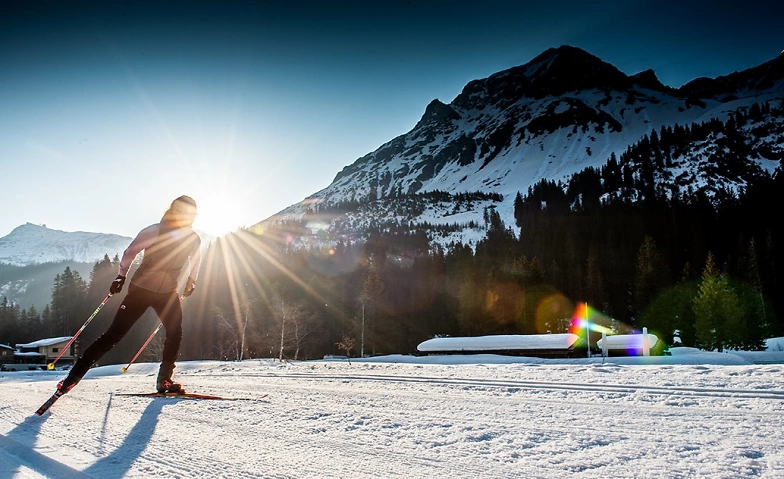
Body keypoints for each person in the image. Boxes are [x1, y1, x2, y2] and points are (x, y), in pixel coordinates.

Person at [56, 195, 202, 395]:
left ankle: (164, 380)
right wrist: (120, 277)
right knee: (113, 335)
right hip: (140, 290)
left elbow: (196, 259)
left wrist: (192, 280)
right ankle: (73, 377)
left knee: (175, 332)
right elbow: (130, 252)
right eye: (181, 210)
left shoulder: (193, 238)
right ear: (173, 210)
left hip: (167, 293)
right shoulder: (155, 231)